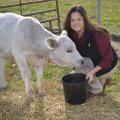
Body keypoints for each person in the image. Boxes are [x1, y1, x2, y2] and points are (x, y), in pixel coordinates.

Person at [63, 5, 118, 96]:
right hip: (88, 62)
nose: (75, 23)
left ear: (84, 19)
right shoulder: (69, 35)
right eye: (72, 20)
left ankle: (100, 82)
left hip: (107, 65)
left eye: (79, 19)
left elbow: (108, 59)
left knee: (87, 87)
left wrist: (92, 72)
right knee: (76, 80)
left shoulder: (98, 34)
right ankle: (98, 80)